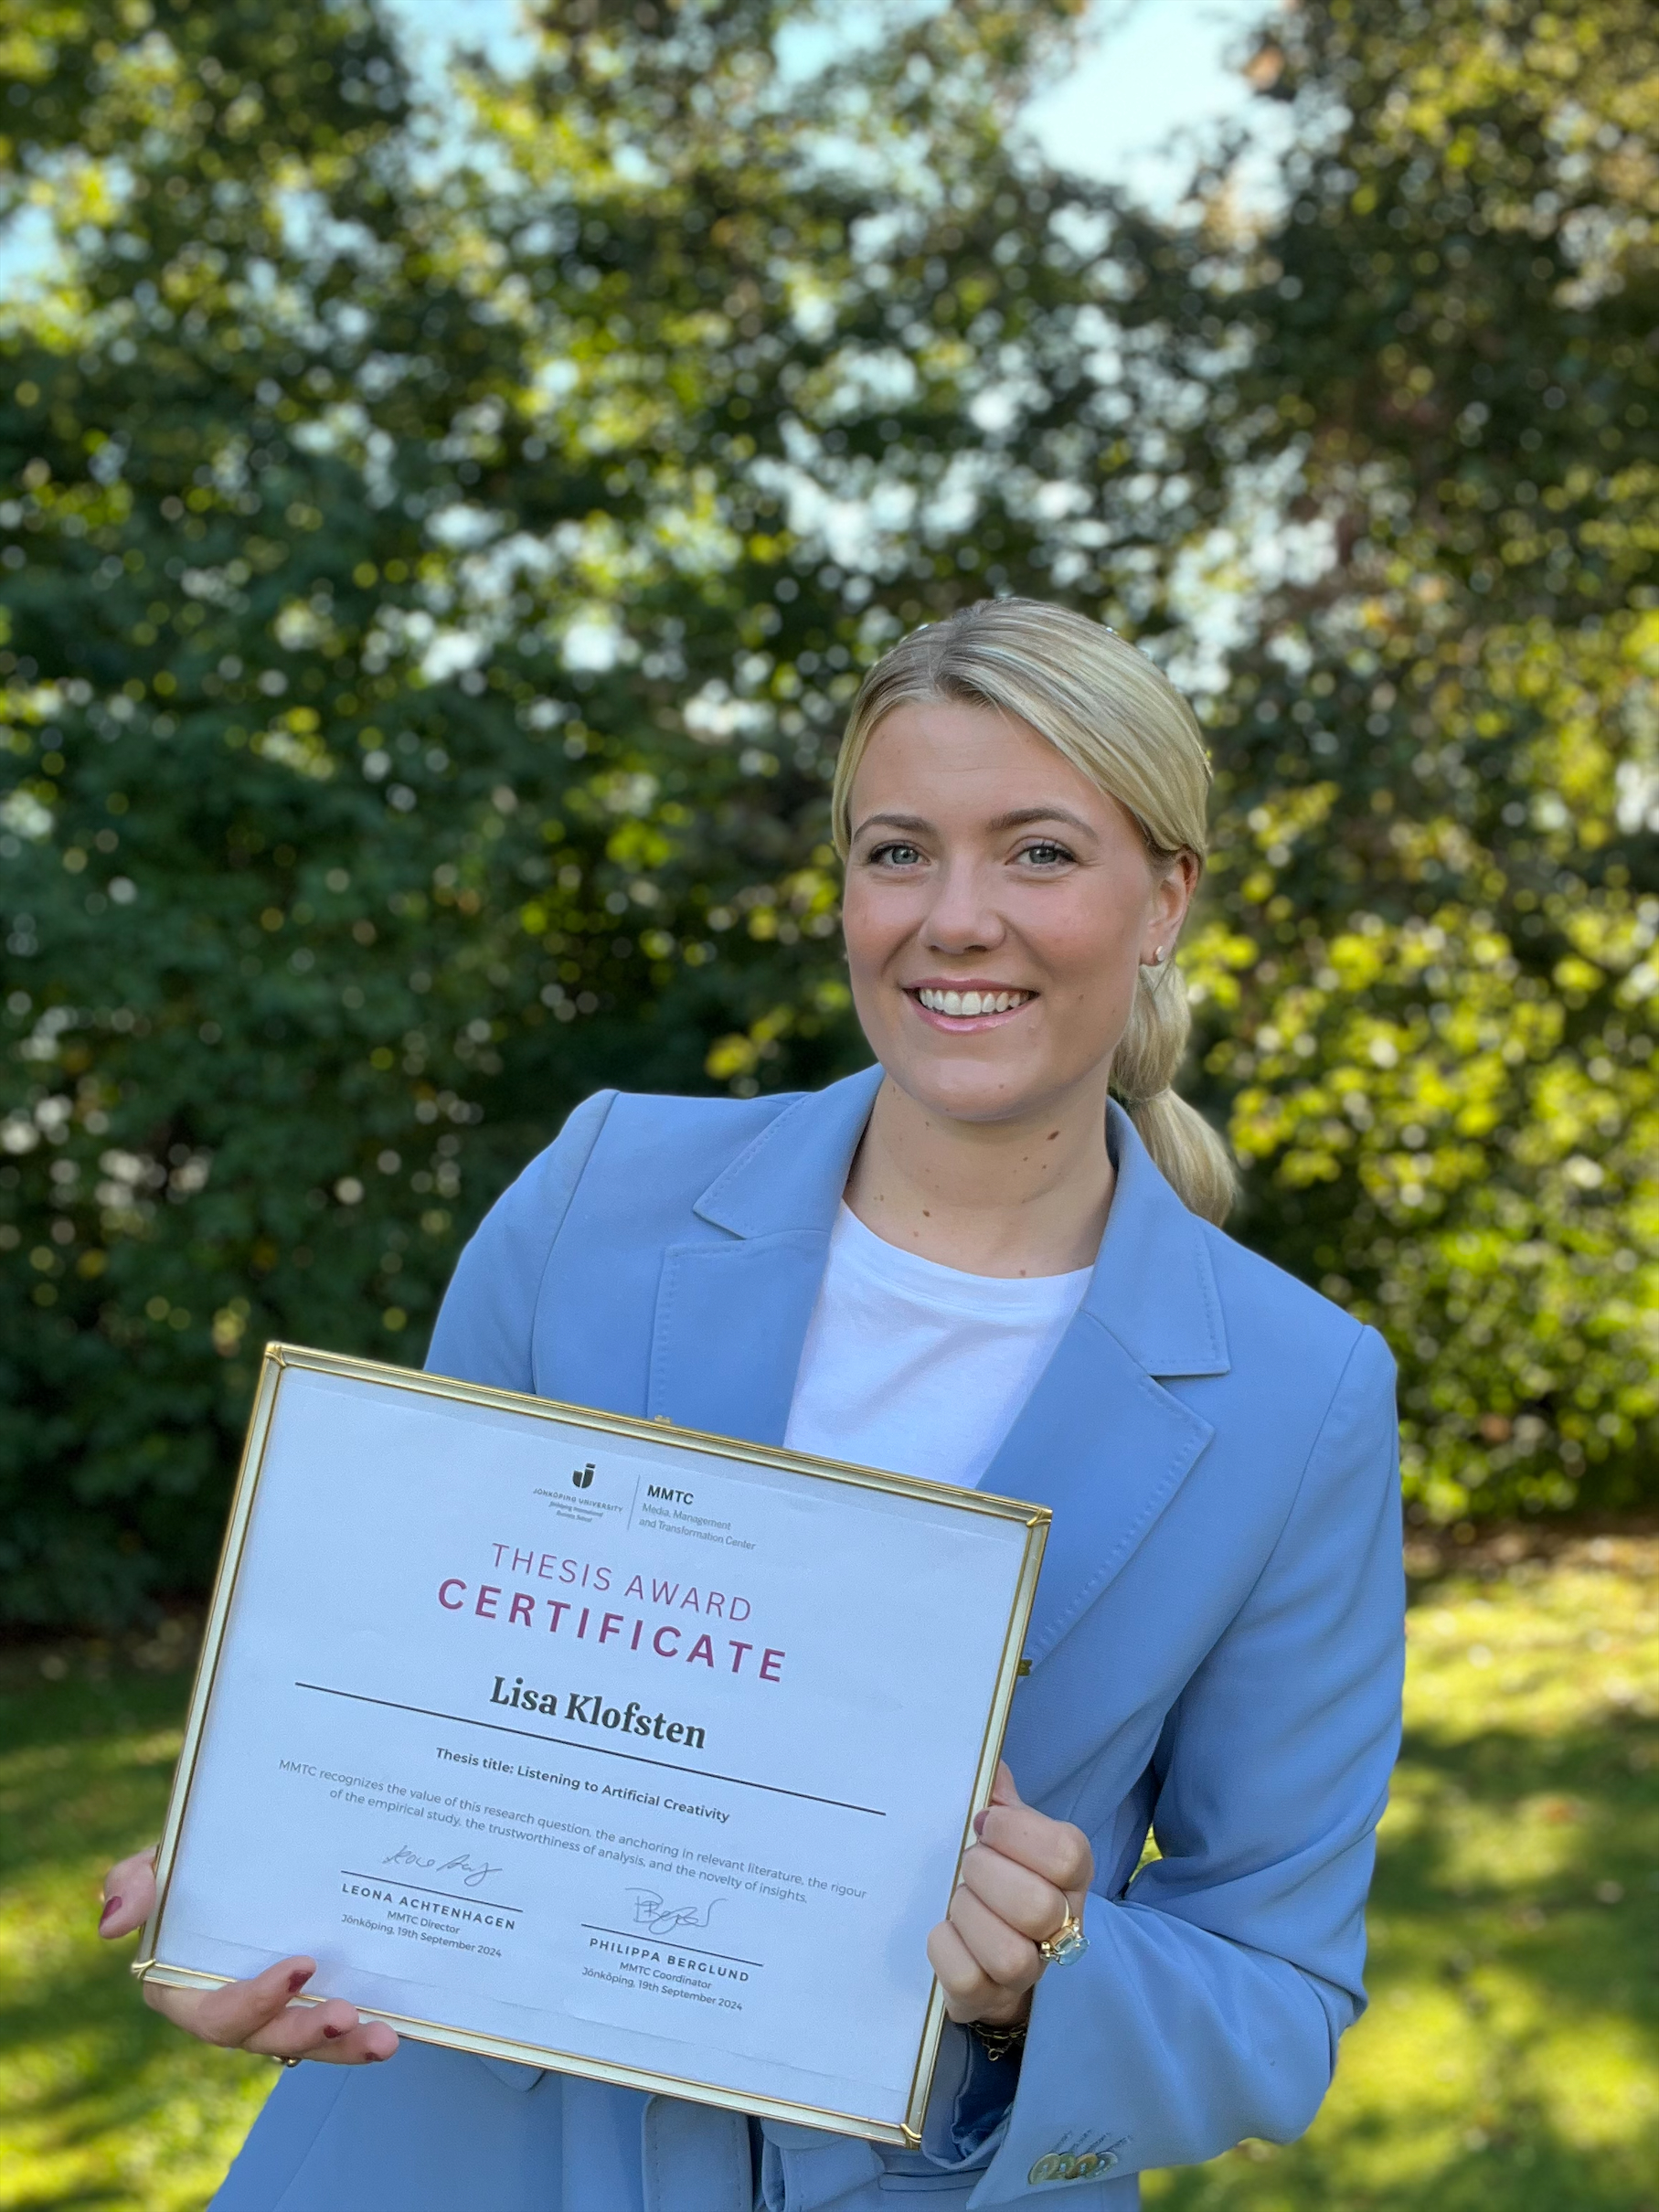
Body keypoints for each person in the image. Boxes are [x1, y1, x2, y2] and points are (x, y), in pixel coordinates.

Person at [100, 599, 1403, 2211]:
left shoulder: (1303, 1393)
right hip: (443, 2159)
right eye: (898, 851)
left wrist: (1041, 1977)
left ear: (1167, 900)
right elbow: (380, 1682)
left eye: (1042, 853)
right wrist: (240, 1904)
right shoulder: (599, 1194)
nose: (957, 918)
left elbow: (1275, 2002)